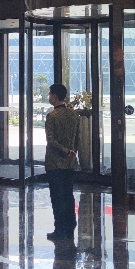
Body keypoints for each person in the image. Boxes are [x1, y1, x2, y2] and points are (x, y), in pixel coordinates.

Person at [44, 82, 79, 242]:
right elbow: (77, 137)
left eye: (50, 94)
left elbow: (51, 141)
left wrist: (65, 151)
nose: (49, 97)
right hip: (70, 163)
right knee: (68, 194)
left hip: (55, 163)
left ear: (55, 96)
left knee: (57, 197)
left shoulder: (52, 116)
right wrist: (72, 151)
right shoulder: (73, 115)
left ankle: (60, 229)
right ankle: (71, 224)